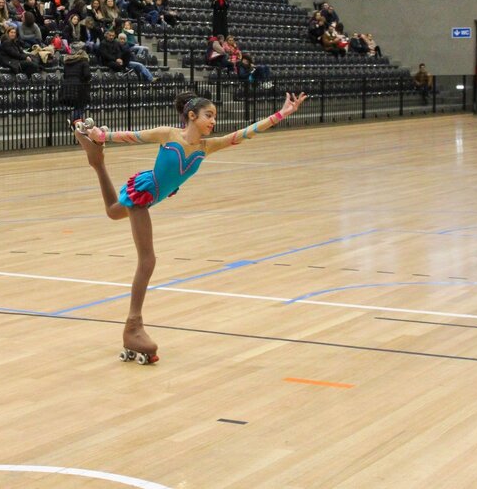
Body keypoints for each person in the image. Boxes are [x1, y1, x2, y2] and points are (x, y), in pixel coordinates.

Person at [71, 90, 307, 363]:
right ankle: (133, 325)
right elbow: (131, 136)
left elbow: (246, 133)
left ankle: (96, 161)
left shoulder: (207, 147)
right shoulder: (168, 135)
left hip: (155, 193)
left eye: (215, 117)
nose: (213, 121)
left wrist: (282, 113)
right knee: (148, 261)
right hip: (145, 192)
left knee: (114, 213)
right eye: (209, 115)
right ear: (192, 116)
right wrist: (102, 136)